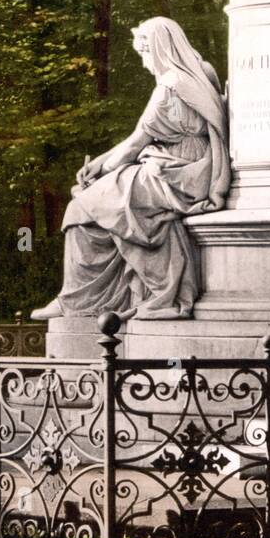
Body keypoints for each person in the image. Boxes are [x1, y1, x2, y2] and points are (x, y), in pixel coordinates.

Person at [30, 18, 230, 322]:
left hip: (174, 174)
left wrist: (99, 171)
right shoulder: (202, 73)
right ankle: (102, 298)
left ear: (161, 50)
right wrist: (101, 162)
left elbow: (136, 143)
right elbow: (139, 140)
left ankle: (78, 300)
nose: (144, 62)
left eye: (146, 53)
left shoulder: (168, 89)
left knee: (80, 207)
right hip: (197, 169)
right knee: (104, 200)